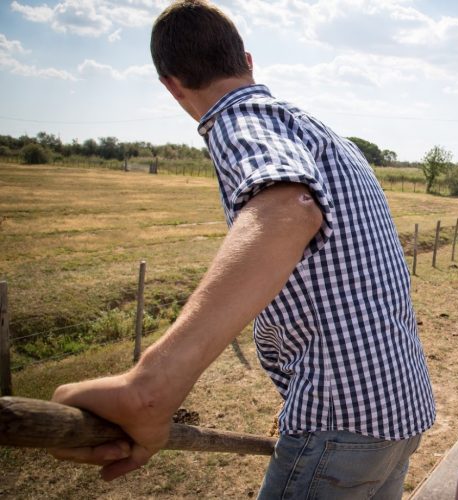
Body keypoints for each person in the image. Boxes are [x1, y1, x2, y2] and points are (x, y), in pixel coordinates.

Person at [49, 1, 436, 498]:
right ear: (248, 61)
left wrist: (154, 386)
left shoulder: (239, 118)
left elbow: (290, 210)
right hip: (397, 406)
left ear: (171, 84)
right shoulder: (316, 131)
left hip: (343, 416)